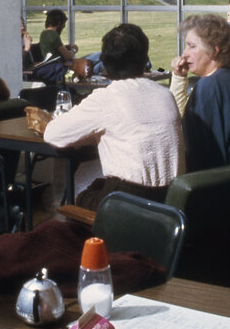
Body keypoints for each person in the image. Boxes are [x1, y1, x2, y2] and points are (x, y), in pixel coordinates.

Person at [34, 24, 184, 210]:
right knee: (97, 182)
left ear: (104, 63)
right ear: (144, 59)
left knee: (79, 186)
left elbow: (53, 135)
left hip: (126, 207)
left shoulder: (106, 98)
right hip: (168, 202)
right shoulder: (165, 95)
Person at [169, 14, 230, 172]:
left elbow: (197, 151)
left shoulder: (209, 88)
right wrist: (179, 77)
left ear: (214, 51)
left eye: (191, 46)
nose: (184, 54)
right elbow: (182, 119)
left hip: (207, 186)